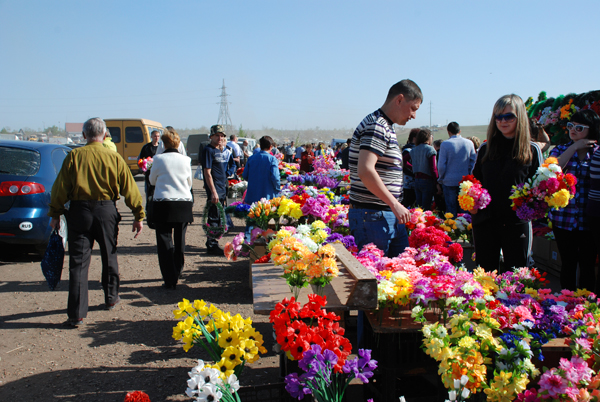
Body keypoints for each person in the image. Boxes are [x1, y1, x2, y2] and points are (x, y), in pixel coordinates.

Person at [48, 117, 144, 327]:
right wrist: (138, 215)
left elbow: (60, 189)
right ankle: (111, 298)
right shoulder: (114, 157)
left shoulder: (74, 156)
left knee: (78, 262)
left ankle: (76, 314)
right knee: (109, 255)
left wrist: (55, 213)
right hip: (106, 211)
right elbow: (130, 189)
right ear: (105, 134)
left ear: (84, 135)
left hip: (79, 212)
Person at [348, 79, 422, 257]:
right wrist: (395, 204)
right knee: (379, 278)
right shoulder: (377, 126)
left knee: (397, 275)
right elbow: (366, 170)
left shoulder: (384, 125)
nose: (413, 116)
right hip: (374, 215)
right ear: (399, 100)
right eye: (413, 108)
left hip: (382, 214)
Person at [471, 94, 542, 272]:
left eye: (509, 116)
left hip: (516, 224)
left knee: (517, 277)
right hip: (486, 223)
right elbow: (474, 182)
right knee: (484, 277)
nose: (503, 121)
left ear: (520, 117)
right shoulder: (486, 149)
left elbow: (540, 189)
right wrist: (471, 200)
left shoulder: (531, 150)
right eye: (498, 116)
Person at [549, 110, 599, 291]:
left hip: (589, 218)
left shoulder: (597, 153)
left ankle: (586, 304)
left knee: (587, 263)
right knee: (568, 262)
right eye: (571, 126)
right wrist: (575, 147)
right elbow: (552, 170)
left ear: (591, 130)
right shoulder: (561, 149)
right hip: (564, 217)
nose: (573, 130)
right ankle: (565, 301)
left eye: (579, 127)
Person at [149, 129, 193, 290]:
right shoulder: (186, 160)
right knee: (180, 240)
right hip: (183, 202)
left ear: (164, 143)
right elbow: (189, 183)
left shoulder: (158, 159)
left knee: (164, 241)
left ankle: (169, 278)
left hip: (163, 203)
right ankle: (178, 268)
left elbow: (152, 180)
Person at [201, 125, 235, 255]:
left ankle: (214, 241)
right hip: (214, 189)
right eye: (217, 135)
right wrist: (213, 192)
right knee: (214, 217)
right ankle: (212, 244)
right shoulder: (208, 151)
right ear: (211, 136)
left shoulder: (222, 150)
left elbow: (229, 165)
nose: (220, 138)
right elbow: (207, 173)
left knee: (219, 217)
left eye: (222, 136)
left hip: (222, 188)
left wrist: (228, 174)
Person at [437, 122, 477, 217]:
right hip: (465, 182)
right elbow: (474, 162)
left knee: (451, 209)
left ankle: (452, 229)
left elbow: (441, 165)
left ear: (448, 132)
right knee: (464, 208)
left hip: (448, 181)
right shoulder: (469, 143)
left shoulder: (445, 144)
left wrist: (441, 178)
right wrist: (470, 175)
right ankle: (465, 228)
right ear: (460, 131)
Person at [243, 136, 281, 205]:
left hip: (252, 195)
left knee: (252, 214)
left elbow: (245, 175)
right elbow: (275, 178)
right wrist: (278, 189)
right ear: (270, 146)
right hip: (268, 196)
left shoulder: (251, 158)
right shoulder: (272, 159)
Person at [586, 111, 600, 292]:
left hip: (591, 211)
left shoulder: (595, 151)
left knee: (589, 263)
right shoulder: (597, 153)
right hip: (594, 212)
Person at [411, 129, 438, 211]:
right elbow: (433, 168)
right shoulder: (430, 149)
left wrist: (413, 167)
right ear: (428, 137)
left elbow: (404, 160)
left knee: (419, 207)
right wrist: (437, 181)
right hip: (427, 180)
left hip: (417, 180)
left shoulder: (414, 150)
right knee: (426, 207)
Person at [139, 129, 161, 197]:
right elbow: (140, 159)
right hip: (149, 171)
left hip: (158, 171)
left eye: (158, 136)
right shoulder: (146, 147)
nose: (156, 138)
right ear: (151, 136)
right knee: (149, 190)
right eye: (155, 136)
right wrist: (142, 169)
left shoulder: (161, 147)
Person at [401, 129, 418, 209]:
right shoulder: (407, 150)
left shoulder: (416, 149)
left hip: (415, 180)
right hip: (408, 182)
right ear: (414, 138)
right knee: (408, 202)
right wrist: (414, 170)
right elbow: (404, 164)